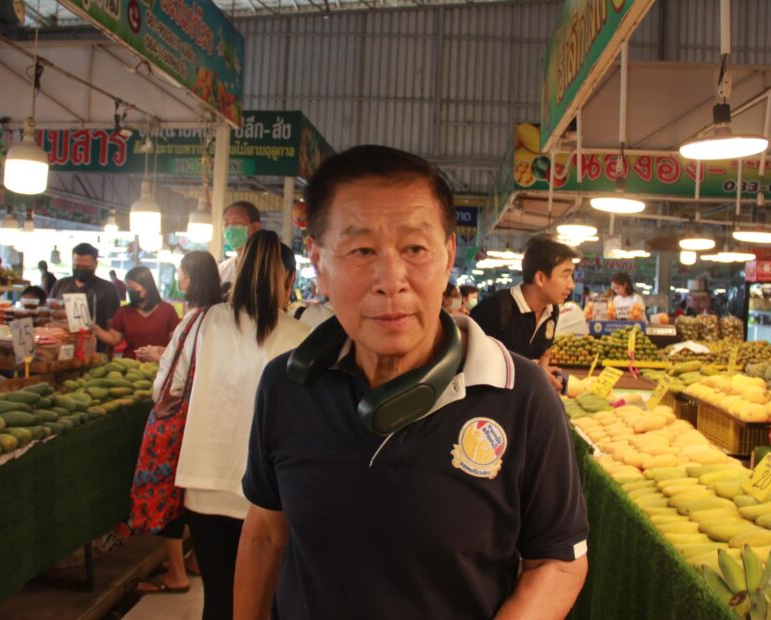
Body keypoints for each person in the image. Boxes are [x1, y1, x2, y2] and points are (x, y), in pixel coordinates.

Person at [235, 145, 588, 620]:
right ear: (318, 263)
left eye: (415, 249)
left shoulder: (521, 395)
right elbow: (265, 533)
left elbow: (558, 563)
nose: (391, 280)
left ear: (448, 256)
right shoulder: (286, 386)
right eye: (362, 250)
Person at [177, 230, 310, 619]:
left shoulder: (202, 322)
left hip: (203, 480)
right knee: (265, 603)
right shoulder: (304, 339)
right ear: (289, 281)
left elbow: (166, 386)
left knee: (217, 599)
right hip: (267, 493)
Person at [131, 251, 223, 595]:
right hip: (206, 415)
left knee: (167, 491)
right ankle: (196, 559)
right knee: (192, 489)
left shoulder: (192, 320)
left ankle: (176, 573)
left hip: (177, 420)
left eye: (182, 273)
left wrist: (160, 363)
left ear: (192, 278)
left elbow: (175, 378)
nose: (179, 279)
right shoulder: (221, 317)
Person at [470, 236, 578, 391]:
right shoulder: (495, 309)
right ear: (540, 278)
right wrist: (533, 374)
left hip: (523, 397)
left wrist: (542, 369)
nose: (571, 285)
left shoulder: (552, 310)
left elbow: (545, 352)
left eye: (572, 276)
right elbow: (473, 364)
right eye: (565, 275)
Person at [90, 266, 179, 359]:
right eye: (128, 288)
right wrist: (96, 329)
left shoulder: (168, 310)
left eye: (134, 288)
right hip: (130, 363)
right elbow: (114, 338)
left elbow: (175, 342)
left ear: (147, 287)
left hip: (159, 362)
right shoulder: (124, 311)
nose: (130, 292)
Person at [49, 243, 120, 353]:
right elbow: (50, 313)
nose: (81, 270)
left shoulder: (107, 289)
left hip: (94, 351)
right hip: (61, 349)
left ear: (95, 264)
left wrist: (107, 355)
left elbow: (112, 327)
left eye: (86, 267)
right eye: (77, 266)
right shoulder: (60, 284)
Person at [218, 201, 263, 285]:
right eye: (226, 223)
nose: (230, 228)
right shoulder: (222, 270)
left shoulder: (268, 267)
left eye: (237, 222)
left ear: (256, 227)